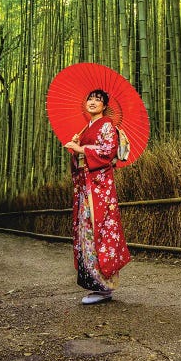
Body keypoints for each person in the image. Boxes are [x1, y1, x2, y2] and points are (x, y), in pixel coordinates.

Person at [65, 89, 130, 304]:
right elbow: (81, 159)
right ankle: (95, 285)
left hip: (100, 189)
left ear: (104, 106)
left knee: (100, 231)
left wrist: (81, 148)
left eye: (98, 100)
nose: (93, 102)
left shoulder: (107, 125)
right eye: (90, 98)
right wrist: (75, 150)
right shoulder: (86, 129)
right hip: (86, 188)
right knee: (86, 232)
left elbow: (107, 152)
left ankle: (104, 287)